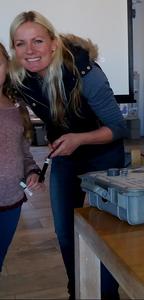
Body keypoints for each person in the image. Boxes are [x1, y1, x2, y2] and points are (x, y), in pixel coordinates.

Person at [9, 11, 128, 299]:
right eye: (20, 43)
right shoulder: (18, 77)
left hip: (104, 154)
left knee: (106, 236)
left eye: (37, 41)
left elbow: (118, 127)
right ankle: (78, 288)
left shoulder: (85, 72)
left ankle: (107, 294)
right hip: (65, 154)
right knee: (65, 233)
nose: (30, 51)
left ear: (53, 42)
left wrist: (80, 139)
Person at [0, 42, 43, 273]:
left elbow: (25, 153)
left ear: (7, 65)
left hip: (11, 202)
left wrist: (32, 171)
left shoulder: (18, 109)